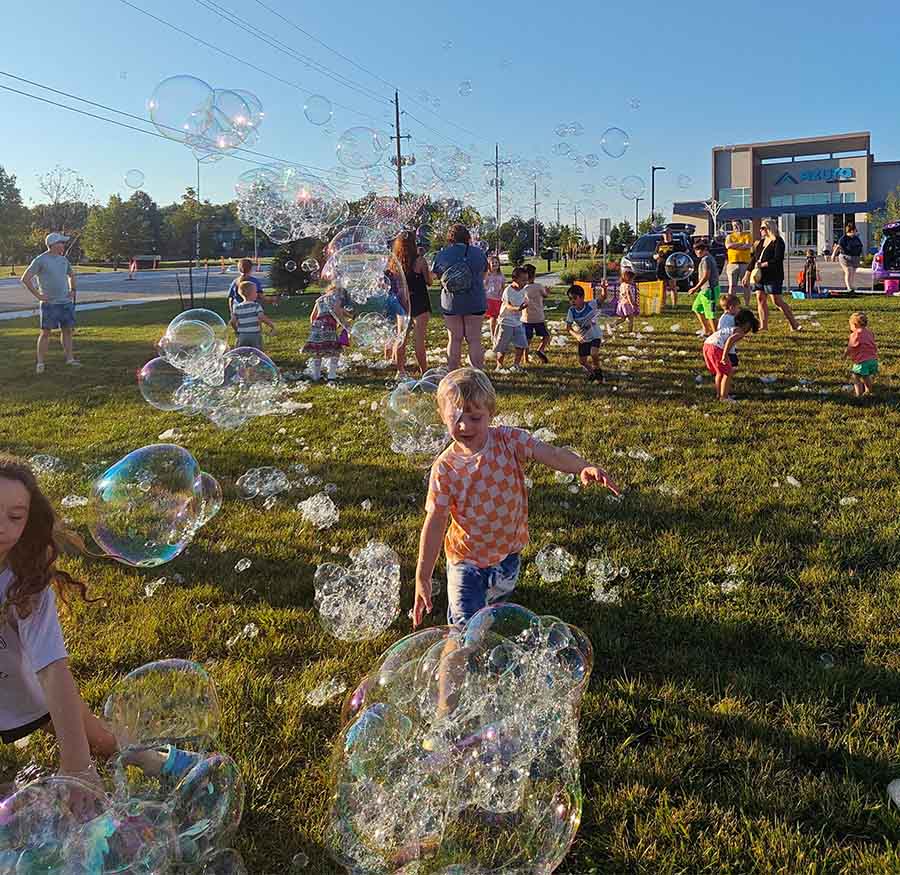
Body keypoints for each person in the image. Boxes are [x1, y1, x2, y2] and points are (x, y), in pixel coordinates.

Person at [0, 457, 200, 792]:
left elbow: (52, 669)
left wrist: (77, 765)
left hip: (25, 692)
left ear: (29, 522)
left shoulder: (27, 587)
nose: (1, 526)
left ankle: (154, 759)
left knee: (100, 741)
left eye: (15, 517)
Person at [412, 368, 619, 628]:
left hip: (508, 554)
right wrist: (423, 575)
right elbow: (436, 520)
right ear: (442, 416)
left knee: (491, 618)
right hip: (467, 562)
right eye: (455, 418)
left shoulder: (508, 440)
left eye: (475, 418)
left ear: (491, 413)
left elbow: (552, 453)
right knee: (464, 629)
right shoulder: (446, 468)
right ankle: (455, 665)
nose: (464, 426)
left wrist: (582, 466)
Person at [431, 224, 488, 370]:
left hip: (451, 302)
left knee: (454, 339)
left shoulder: (442, 254)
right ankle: (478, 374)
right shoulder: (478, 253)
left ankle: (452, 373)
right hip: (475, 300)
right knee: (474, 339)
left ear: (450, 238)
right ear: (467, 237)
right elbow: (484, 274)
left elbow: (435, 277)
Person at [21, 233, 79, 374]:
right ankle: (40, 363)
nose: (64, 246)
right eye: (61, 243)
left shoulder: (63, 260)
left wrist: (73, 290)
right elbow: (25, 278)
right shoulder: (40, 260)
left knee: (67, 331)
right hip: (49, 304)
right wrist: (38, 295)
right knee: (45, 333)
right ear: (53, 244)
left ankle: (70, 359)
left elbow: (71, 275)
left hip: (65, 303)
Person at [745, 219, 800, 331]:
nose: (760, 230)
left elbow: (778, 259)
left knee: (777, 300)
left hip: (773, 275)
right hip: (759, 276)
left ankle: (794, 323)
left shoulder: (778, 242)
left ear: (770, 228)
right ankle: (763, 326)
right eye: (760, 228)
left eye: (763, 228)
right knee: (760, 298)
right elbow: (754, 259)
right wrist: (747, 274)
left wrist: (763, 264)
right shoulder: (761, 242)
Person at [392, 231, 433, 375]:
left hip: (402, 302)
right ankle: (424, 371)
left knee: (401, 337)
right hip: (420, 301)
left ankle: (400, 371)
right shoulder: (420, 261)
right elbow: (429, 281)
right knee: (419, 340)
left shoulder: (393, 261)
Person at [702, 309, 760, 401]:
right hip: (716, 347)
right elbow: (729, 341)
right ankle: (724, 397)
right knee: (728, 372)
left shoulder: (733, 329)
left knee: (720, 372)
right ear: (747, 324)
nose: (748, 330)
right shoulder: (739, 332)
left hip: (707, 344)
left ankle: (720, 394)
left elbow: (728, 336)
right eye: (749, 328)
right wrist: (724, 356)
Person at [303, 285, 350, 381]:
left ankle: (316, 375)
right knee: (335, 350)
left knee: (318, 351)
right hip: (328, 326)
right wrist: (345, 325)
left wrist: (315, 328)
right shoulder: (336, 298)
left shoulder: (320, 299)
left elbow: (312, 317)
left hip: (317, 326)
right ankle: (331, 375)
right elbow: (338, 312)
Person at [565, 283, 606, 382]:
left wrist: (604, 289)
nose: (572, 301)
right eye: (570, 299)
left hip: (595, 335)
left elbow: (602, 298)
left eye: (575, 298)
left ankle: (597, 370)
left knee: (594, 353)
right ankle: (593, 373)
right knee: (582, 361)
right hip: (583, 338)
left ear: (582, 297)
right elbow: (569, 328)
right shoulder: (571, 311)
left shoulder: (590, 305)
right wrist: (577, 336)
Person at [493, 267, 528, 371]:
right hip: (506, 322)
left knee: (521, 345)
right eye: (523, 280)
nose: (525, 282)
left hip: (518, 323)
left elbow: (526, 300)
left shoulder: (523, 290)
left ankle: (516, 365)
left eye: (526, 279)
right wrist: (518, 308)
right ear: (515, 279)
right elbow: (508, 305)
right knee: (502, 347)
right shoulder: (508, 290)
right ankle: (499, 365)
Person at [229, 281, 276, 350]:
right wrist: (272, 325)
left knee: (241, 352)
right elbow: (261, 317)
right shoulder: (256, 306)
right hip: (255, 334)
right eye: (256, 292)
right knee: (257, 352)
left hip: (242, 335)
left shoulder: (237, 307)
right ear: (252, 294)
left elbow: (232, 321)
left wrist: (237, 330)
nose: (257, 294)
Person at [687, 239, 719, 336]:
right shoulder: (706, 258)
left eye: (699, 249)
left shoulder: (706, 260)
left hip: (710, 290)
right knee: (696, 308)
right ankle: (706, 329)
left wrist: (695, 288)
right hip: (704, 291)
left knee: (710, 314)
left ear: (705, 249)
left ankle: (715, 335)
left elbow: (706, 276)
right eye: (696, 249)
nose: (697, 252)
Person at [521, 264, 551, 363]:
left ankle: (525, 359)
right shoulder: (539, 286)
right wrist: (548, 291)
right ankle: (540, 349)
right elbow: (545, 295)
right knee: (546, 336)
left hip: (526, 318)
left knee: (527, 341)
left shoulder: (523, 289)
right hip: (539, 318)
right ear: (534, 276)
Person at [845, 311, 878, 397]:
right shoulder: (870, 333)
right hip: (873, 360)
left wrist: (845, 355)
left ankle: (858, 394)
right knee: (866, 376)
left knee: (856, 376)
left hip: (862, 362)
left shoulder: (854, 334)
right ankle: (868, 391)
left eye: (850, 325)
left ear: (855, 325)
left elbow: (850, 347)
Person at [653, 228, 687, 308]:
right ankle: (662, 304)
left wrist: (677, 258)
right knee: (662, 286)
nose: (666, 235)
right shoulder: (659, 244)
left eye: (668, 233)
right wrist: (658, 255)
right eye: (665, 233)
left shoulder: (676, 244)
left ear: (671, 234)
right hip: (661, 267)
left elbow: (685, 252)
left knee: (673, 286)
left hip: (672, 268)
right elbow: (654, 256)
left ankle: (674, 305)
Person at [724, 220, 753, 306]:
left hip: (744, 263)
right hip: (732, 264)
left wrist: (735, 246)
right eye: (734, 225)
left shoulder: (747, 235)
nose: (735, 227)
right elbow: (728, 246)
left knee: (745, 285)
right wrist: (740, 243)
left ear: (741, 225)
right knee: (732, 286)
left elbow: (747, 246)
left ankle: (747, 304)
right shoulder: (730, 236)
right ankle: (731, 304)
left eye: (737, 225)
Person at [832, 222, 864, 292]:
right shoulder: (844, 238)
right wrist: (833, 255)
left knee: (852, 273)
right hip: (845, 257)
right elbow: (838, 247)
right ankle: (849, 287)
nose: (856, 232)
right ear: (852, 230)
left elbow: (861, 247)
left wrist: (863, 257)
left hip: (855, 258)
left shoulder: (856, 238)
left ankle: (851, 286)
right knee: (848, 271)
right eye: (856, 231)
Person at [717, 292, 741, 368]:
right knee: (733, 364)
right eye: (738, 307)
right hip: (728, 346)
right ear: (731, 307)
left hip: (721, 344)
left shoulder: (723, 317)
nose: (739, 310)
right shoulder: (731, 319)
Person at [484, 256, 505, 339]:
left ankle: (497, 333)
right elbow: (484, 285)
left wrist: (502, 293)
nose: (495, 264)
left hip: (499, 298)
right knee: (493, 317)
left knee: (499, 317)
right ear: (489, 264)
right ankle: (493, 335)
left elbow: (503, 285)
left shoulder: (501, 275)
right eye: (493, 263)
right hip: (490, 298)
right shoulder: (487, 275)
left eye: (496, 262)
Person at [613, 267, 639, 333]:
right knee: (631, 319)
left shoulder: (622, 285)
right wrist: (632, 304)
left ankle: (612, 324)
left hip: (621, 304)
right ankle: (630, 331)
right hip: (627, 304)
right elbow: (629, 296)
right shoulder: (628, 286)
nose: (633, 280)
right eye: (632, 279)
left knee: (622, 318)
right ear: (629, 278)